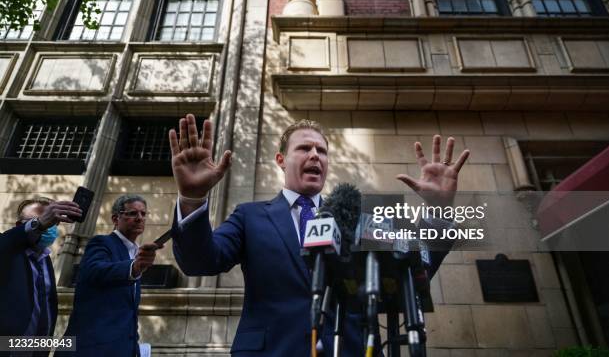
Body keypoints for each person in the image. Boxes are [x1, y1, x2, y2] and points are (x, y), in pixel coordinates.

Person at [170, 114, 470, 356]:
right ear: (280, 160)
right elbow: (200, 262)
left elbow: (412, 273)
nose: (315, 155)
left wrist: (440, 210)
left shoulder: (358, 220)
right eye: (304, 149)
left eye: (322, 151)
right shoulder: (249, 216)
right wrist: (191, 198)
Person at [57, 195, 159, 357]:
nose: (140, 218)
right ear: (115, 218)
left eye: (143, 214)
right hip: (91, 348)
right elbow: (95, 270)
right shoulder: (102, 243)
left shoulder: (134, 253)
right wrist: (134, 267)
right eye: (132, 213)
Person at [0, 197, 82, 356]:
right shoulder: (7, 252)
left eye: (52, 221)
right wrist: (39, 223)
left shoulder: (45, 259)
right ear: (20, 226)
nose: (47, 226)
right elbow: (6, 241)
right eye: (38, 220)